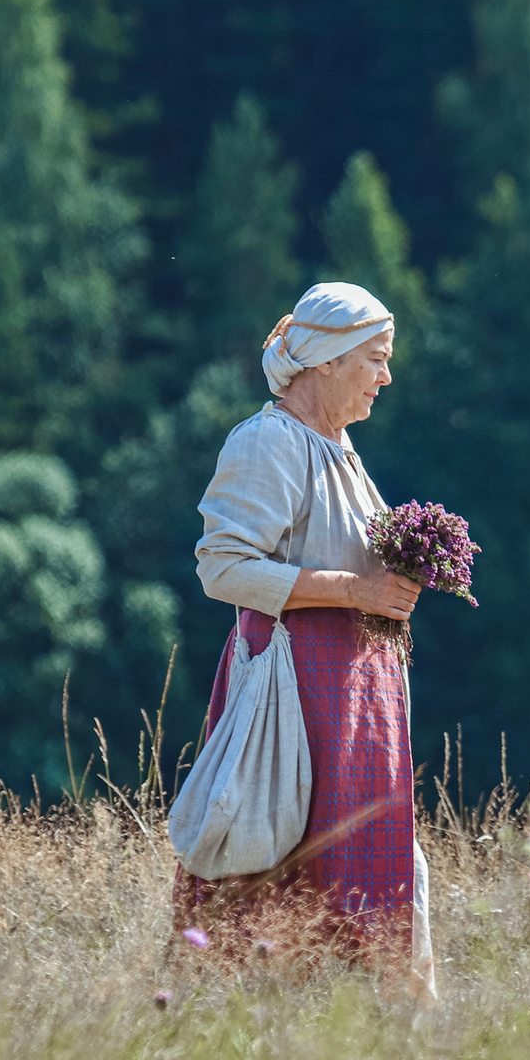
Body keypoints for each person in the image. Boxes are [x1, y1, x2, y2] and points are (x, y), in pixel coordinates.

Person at [182, 281, 437, 999]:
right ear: (326, 360)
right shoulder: (269, 441)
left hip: (351, 704)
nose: (386, 376)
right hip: (295, 699)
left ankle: (371, 1030)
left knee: (370, 869)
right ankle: (257, 1023)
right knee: (280, 852)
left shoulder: (341, 450)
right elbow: (222, 567)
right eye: (375, 359)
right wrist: (356, 591)